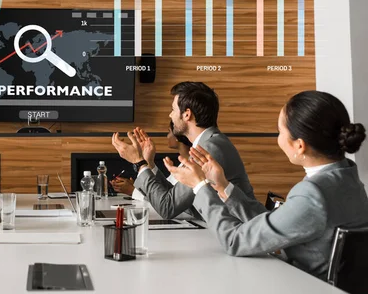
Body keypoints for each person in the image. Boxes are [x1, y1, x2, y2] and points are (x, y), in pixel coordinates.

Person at [168, 90, 368, 280]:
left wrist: (200, 187)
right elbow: (271, 223)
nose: (277, 138)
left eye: (279, 131)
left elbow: (235, 241)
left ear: (299, 145)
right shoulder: (347, 177)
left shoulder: (312, 194)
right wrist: (224, 187)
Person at [111, 81, 255, 219]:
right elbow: (174, 197)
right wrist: (148, 164)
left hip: (237, 236)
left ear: (187, 114)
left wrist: (139, 162)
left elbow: (167, 207)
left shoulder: (209, 148)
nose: (170, 115)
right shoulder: (209, 143)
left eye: (173, 109)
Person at [110, 121, 191, 196]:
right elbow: (162, 191)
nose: (167, 136)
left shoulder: (189, 169)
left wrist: (133, 191)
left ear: (177, 135)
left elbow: (166, 201)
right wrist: (148, 161)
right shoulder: (182, 165)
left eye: (169, 131)